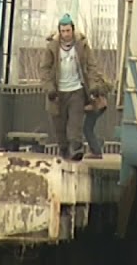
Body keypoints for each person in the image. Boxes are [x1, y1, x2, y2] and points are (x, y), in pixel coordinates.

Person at [40, 14, 108, 160]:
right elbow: (45, 70)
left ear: (73, 30)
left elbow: (91, 66)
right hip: (58, 93)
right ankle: (64, 150)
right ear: (59, 31)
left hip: (76, 90)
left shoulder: (82, 46)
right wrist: (49, 88)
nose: (66, 34)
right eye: (63, 31)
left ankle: (76, 148)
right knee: (60, 126)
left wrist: (94, 85)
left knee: (75, 124)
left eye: (68, 30)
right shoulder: (52, 48)